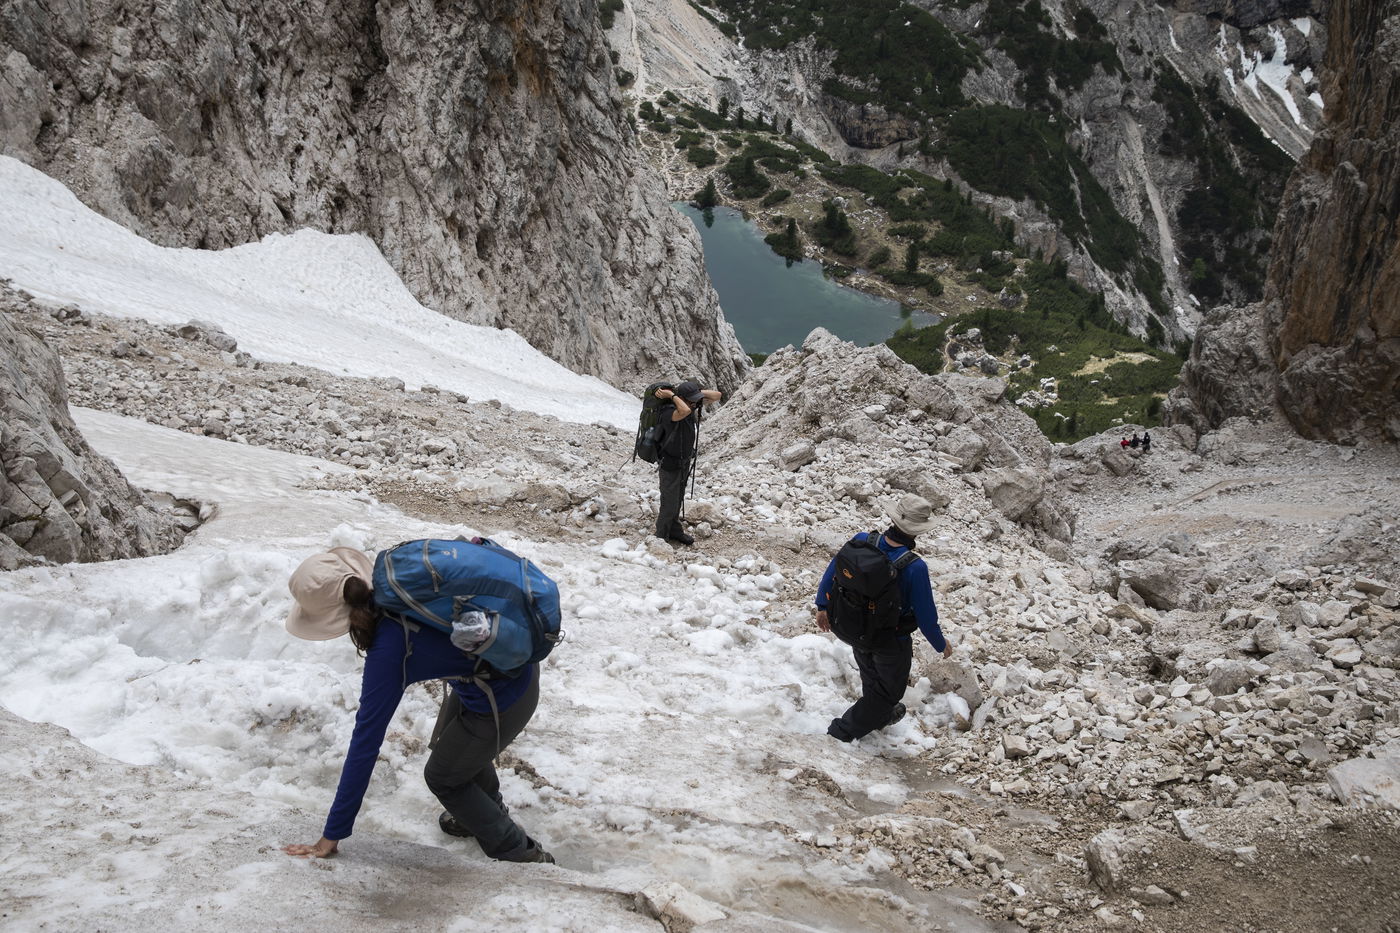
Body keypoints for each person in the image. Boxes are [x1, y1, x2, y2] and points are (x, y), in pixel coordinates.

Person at [280, 547, 554, 864]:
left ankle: (520, 853)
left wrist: (332, 834)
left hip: (505, 697)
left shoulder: (390, 650)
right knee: (448, 745)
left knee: (443, 777)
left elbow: (365, 742)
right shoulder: (400, 588)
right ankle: (482, 813)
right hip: (500, 674)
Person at [815, 495, 951, 742]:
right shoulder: (914, 567)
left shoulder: (861, 541)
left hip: (855, 628)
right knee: (889, 692)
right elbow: (925, 615)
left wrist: (822, 606)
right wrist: (941, 644)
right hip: (890, 639)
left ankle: (878, 717)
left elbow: (833, 571)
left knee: (872, 680)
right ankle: (840, 732)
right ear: (917, 531)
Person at [653, 379, 722, 546]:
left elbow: (717, 396)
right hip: (669, 463)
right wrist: (673, 395)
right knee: (669, 502)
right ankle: (660, 536)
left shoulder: (689, 404)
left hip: (684, 461)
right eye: (691, 400)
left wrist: (697, 394)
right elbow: (683, 410)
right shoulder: (668, 412)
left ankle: (675, 529)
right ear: (681, 398)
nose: (694, 404)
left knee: (678, 498)